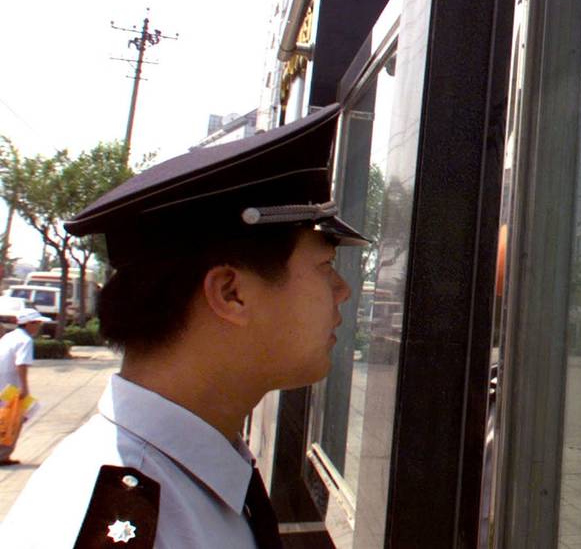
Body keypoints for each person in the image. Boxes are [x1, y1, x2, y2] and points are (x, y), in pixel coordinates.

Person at [0, 104, 366, 548]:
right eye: (325, 265)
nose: (342, 289)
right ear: (232, 293)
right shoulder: (123, 520)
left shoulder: (180, 477)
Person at [0, 308, 50, 466]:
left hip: (4, 382)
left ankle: (4, 452)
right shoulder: (25, 340)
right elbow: (21, 364)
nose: (39, 327)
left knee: (12, 415)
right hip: (9, 385)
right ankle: (3, 453)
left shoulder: (10, 336)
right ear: (29, 324)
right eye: (37, 323)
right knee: (17, 416)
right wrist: (24, 387)